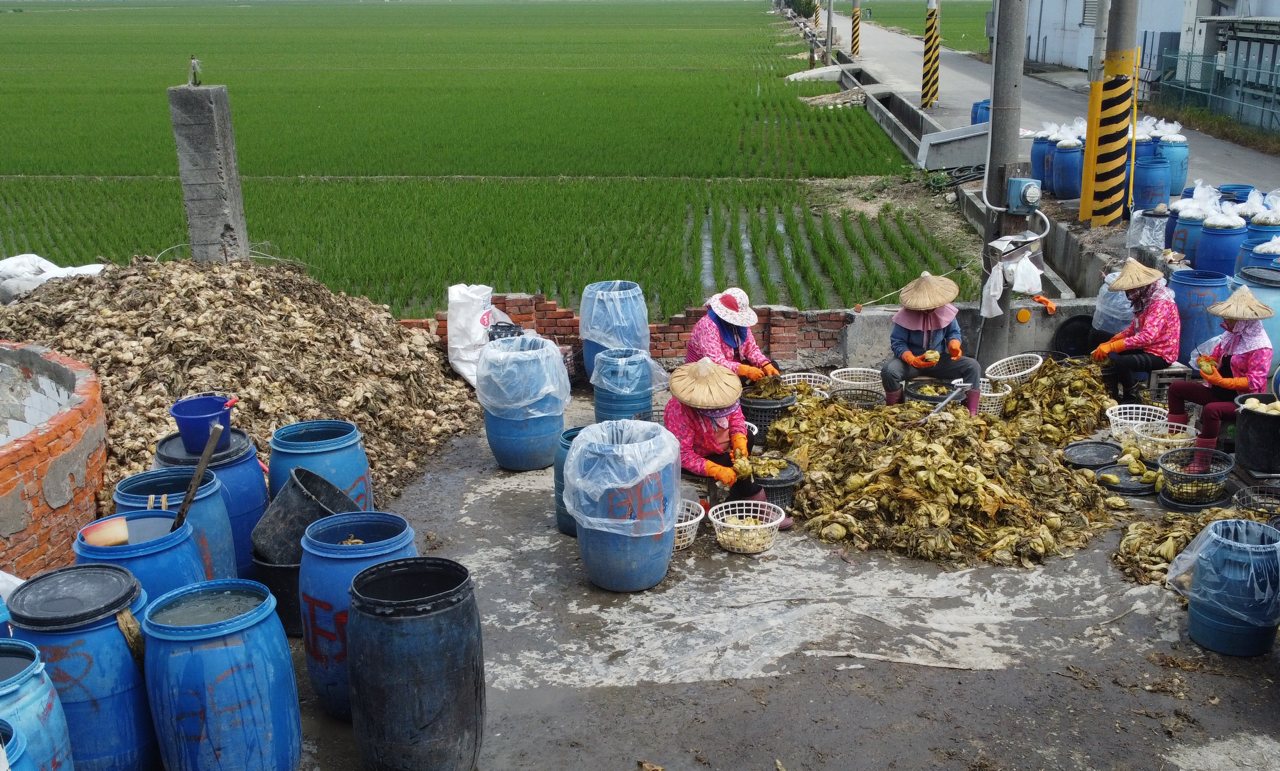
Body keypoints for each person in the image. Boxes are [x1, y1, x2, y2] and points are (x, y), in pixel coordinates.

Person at [663, 358, 790, 529]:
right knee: (735, 465)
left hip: (717, 445)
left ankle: (736, 495)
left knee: (748, 439)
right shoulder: (679, 411)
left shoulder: (726, 394)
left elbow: (737, 420)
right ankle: (757, 503)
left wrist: (739, 442)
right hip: (696, 457)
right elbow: (683, 454)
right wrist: (716, 470)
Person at [1167, 285, 1274, 454]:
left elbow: (1255, 381)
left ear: (1243, 321)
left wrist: (1222, 381)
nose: (1225, 321)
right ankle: (1174, 439)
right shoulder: (1231, 336)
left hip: (1242, 402)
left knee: (1212, 409)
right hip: (1217, 391)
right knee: (1176, 388)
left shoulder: (1261, 347)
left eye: (1230, 318)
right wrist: (1207, 361)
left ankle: (1203, 459)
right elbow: (1216, 357)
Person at [880, 272, 983, 416]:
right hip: (912, 363)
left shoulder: (946, 312)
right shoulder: (905, 316)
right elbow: (898, 342)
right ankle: (894, 409)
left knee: (973, 366)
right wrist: (912, 359)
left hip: (939, 360)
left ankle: (970, 410)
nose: (928, 310)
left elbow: (953, 333)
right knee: (889, 371)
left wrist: (954, 345)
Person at [1090, 259, 1180, 403]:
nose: (1127, 293)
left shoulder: (1160, 302)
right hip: (1146, 347)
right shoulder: (1146, 298)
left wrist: (1113, 346)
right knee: (1099, 336)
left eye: (1130, 289)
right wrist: (1114, 339)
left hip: (1161, 353)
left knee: (1119, 361)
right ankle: (1111, 389)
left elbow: (1147, 337)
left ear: (1141, 286)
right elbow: (1134, 328)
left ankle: (1131, 394)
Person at [686, 287, 780, 382]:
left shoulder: (740, 324)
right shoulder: (707, 326)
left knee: (772, 366)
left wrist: (764, 364)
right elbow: (715, 362)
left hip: (730, 364)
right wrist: (745, 370)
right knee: (742, 379)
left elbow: (750, 348)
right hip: (704, 370)